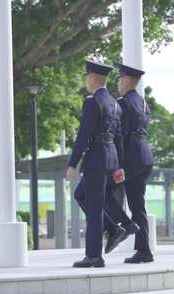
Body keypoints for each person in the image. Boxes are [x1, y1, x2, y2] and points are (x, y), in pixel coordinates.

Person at [66, 60, 124, 268]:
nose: (86, 81)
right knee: (82, 195)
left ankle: (94, 256)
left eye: (86, 77)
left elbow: (83, 135)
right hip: (109, 159)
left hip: (95, 160)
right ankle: (112, 227)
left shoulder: (92, 101)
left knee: (94, 207)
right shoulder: (115, 103)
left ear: (92, 78)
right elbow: (118, 139)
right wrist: (119, 166)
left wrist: (73, 163)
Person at [112, 63, 155, 263]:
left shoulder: (122, 103)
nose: (118, 83)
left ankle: (120, 226)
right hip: (145, 155)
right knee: (138, 206)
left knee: (98, 192)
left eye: (119, 79)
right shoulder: (144, 104)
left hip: (130, 157)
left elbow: (119, 136)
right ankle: (144, 250)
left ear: (127, 81)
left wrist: (116, 164)